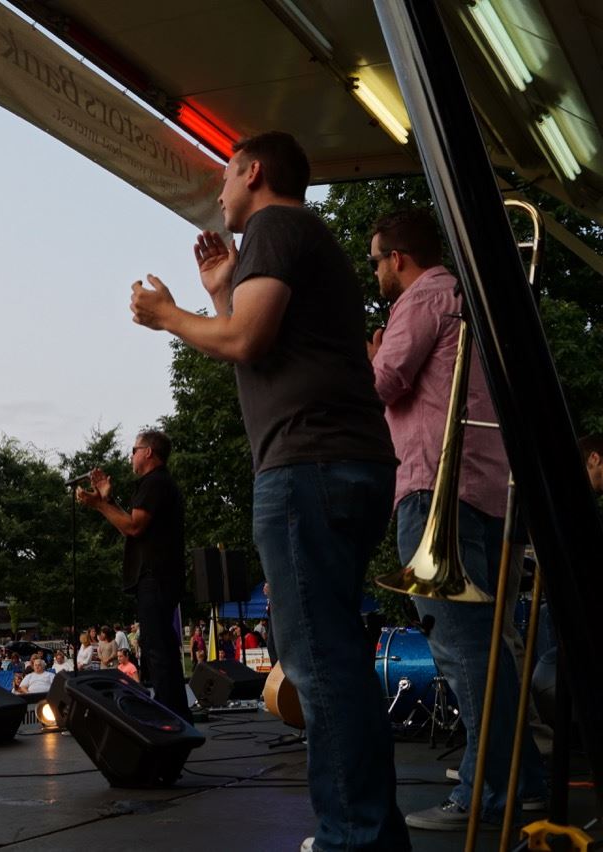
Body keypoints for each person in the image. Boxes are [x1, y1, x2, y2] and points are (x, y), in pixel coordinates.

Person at [130, 131, 407, 850]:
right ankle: (370, 830)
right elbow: (268, 345)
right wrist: (223, 293)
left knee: (317, 660)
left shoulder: (278, 226)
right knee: (335, 653)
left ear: (252, 171)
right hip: (345, 461)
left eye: (225, 176)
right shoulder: (298, 238)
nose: (220, 193)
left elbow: (246, 343)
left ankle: (355, 836)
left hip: (306, 465)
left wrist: (167, 317)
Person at [367, 209, 547, 830]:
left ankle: (487, 795)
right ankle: (520, 781)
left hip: (436, 485)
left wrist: (368, 356)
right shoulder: (468, 298)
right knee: (491, 649)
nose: (376, 274)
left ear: (397, 258)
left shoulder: (423, 298)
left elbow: (385, 382)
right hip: (488, 490)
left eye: (376, 261)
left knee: (463, 650)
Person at [77, 430, 191, 721]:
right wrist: (108, 501)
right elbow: (131, 524)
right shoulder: (156, 483)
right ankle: (175, 713)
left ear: (148, 452)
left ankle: (171, 716)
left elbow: (134, 528)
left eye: (134, 449)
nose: (131, 455)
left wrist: (100, 505)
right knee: (158, 645)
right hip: (158, 576)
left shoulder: (154, 483)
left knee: (159, 649)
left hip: (156, 576)